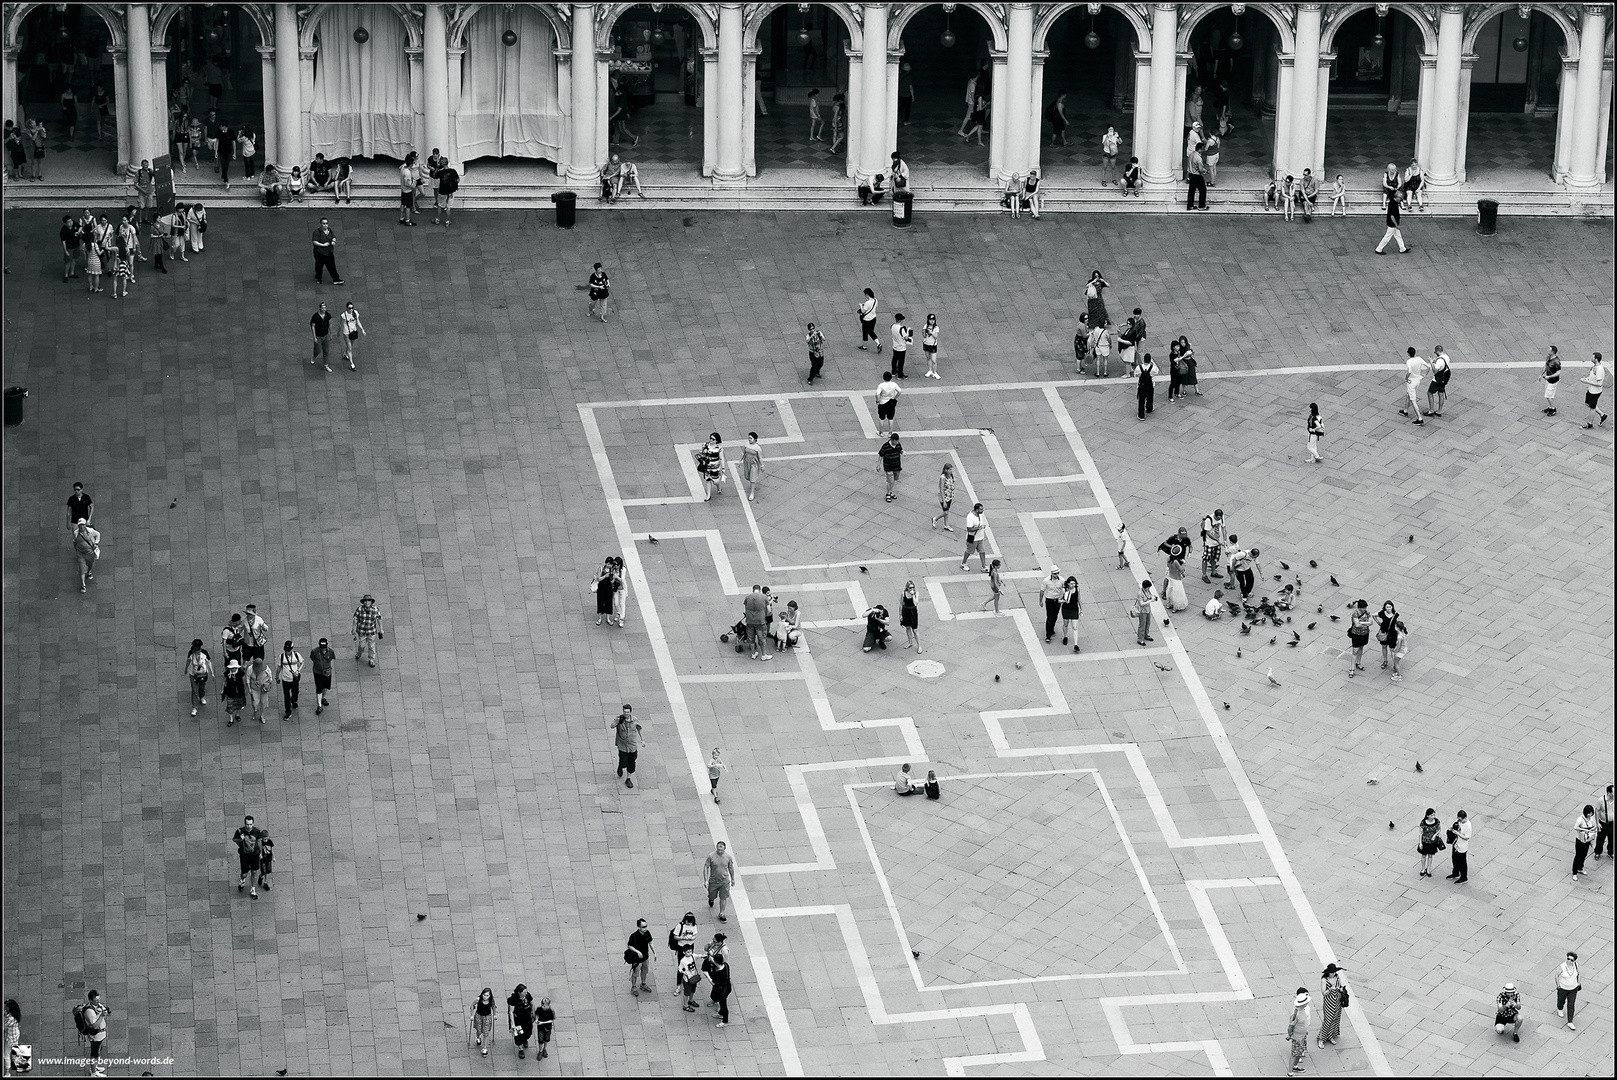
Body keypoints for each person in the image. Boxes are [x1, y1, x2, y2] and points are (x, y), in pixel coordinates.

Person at [77, 991, 109, 1076]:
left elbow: (103, 1010)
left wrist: (106, 1011)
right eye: (96, 1001)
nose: (98, 1002)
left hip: (100, 1035)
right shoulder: (89, 1012)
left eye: (98, 999)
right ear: (90, 1000)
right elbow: (95, 1026)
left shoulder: (95, 1005)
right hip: (96, 1036)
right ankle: (94, 1072)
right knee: (94, 1054)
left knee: (98, 1051)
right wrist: (102, 1015)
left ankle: (94, 1067)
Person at [703, 840, 736, 922]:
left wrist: (732, 879)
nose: (719, 850)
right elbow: (706, 867)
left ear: (724, 848)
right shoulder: (711, 856)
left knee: (723, 898)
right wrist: (706, 880)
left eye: (721, 849)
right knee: (711, 895)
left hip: (724, 881)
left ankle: (722, 913)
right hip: (713, 881)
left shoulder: (728, 857)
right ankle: (711, 899)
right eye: (718, 849)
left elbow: (731, 868)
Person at [1376, 601, 1408, 680]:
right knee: (1384, 646)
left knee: (1391, 649)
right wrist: (1378, 622)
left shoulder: (1395, 615)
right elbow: (1374, 615)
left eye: (1390, 607)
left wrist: (1396, 650)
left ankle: (1395, 665)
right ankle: (1386, 661)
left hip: (1392, 634)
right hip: (1384, 632)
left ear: (1392, 607)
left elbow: (1399, 623)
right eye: (1387, 607)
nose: (1389, 608)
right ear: (1385, 607)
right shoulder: (1382, 613)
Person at [614, 704, 643, 788]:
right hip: (622, 745)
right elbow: (612, 726)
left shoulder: (634, 720)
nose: (626, 713)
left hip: (632, 745)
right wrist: (617, 721)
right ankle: (620, 766)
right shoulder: (620, 719)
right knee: (623, 761)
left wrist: (642, 739)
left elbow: (639, 728)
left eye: (627, 712)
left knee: (631, 762)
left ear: (630, 712)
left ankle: (628, 779)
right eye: (624, 712)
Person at [1398, 347, 1429, 424]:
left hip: (1411, 382)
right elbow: (1428, 367)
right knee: (1408, 394)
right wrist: (1424, 374)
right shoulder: (1419, 359)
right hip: (1418, 380)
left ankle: (1419, 418)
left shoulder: (1409, 361)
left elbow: (1409, 371)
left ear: (1408, 353)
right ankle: (1405, 410)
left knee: (1413, 400)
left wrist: (1406, 378)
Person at [1316, 964, 1345, 1046]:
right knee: (1328, 1020)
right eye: (1331, 972)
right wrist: (1330, 990)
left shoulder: (1337, 977)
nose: (1332, 974)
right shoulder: (1324, 980)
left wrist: (1340, 989)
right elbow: (1323, 993)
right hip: (1329, 1003)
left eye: (1334, 972)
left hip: (1337, 1001)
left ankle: (1330, 1036)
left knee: (1335, 1019)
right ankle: (1321, 1038)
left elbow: (1341, 986)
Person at [233, 815, 261, 894]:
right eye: (247, 824)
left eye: (250, 824)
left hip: (255, 854)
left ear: (253, 824)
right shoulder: (240, 831)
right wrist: (240, 839)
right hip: (244, 855)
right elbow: (234, 839)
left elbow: (259, 842)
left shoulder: (257, 831)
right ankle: (242, 880)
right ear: (244, 824)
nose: (249, 826)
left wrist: (261, 853)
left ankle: (253, 888)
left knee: (254, 872)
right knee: (244, 874)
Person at [352, 594, 383, 666]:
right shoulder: (359, 609)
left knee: (371, 646)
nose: (367, 602)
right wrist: (353, 628)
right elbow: (355, 618)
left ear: (371, 602)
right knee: (361, 645)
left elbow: (379, 618)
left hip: (371, 631)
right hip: (362, 631)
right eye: (365, 601)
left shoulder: (375, 609)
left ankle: (371, 659)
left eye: (368, 601)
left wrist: (381, 629)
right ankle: (359, 653)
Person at [185, 638, 214, 717]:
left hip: (203, 673)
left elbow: (209, 662)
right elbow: (188, 661)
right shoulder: (191, 653)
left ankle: (202, 697)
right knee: (194, 691)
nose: (196, 651)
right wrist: (186, 669)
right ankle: (194, 707)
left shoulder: (204, 653)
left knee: (202, 687)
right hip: (193, 674)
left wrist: (212, 672)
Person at [704, 951, 733, 1027]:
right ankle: (720, 1013)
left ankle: (725, 1021)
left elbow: (713, 983)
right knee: (722, 1003)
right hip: (727, 986)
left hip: (721, 990)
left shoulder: (719, 973)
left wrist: (707, 975)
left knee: (723, 1004)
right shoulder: (726, 965)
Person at [311, 218, 344, 285]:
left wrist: (333, 241)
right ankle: (318, 278)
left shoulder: (329, 230)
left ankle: (336, 279)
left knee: (332, 266)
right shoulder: (317, 232)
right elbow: (314, 241)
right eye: (324, 223)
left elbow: (333, 237)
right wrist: (322, 245)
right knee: (319, 266)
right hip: (320, 253)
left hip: (329, 252)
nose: (325, 225)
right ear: (321, 224)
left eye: (326, 223)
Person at [626, 918, 655, 996]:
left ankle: (643, 984)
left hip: (645, 957)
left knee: (644, 972)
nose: (645, 928)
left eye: (646, 926)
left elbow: (650, 942)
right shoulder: (634, 936)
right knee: (635, 973)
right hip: (637, 960)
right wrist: (637, 951)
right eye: (643, 927)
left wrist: (654, 952)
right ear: (638, 927)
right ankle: (633, 987)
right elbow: (629, 946)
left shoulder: (647, 933)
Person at [1580, 352, 1608, 428]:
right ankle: (1602, 415)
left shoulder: (1599, 369)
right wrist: (1587, 379)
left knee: (1592, 407)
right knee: (1587, 403)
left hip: (1595, 392)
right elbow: (1593, 378)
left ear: (1596, 359)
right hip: (1591, 390)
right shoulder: (1595, 366)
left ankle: (1590, 423)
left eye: (1592, 357)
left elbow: (1599, 383)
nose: (1591, 358)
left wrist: (1587, 382)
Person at [72, 518, 100, 594]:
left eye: (83, 525)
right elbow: (74, 541)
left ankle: (89, 571)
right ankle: (83, 585)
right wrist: (76, 550)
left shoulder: (90, 531)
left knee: (90, 565)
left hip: (90, 553)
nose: (81, 527)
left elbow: (98, 534)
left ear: (85, 525)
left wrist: (96, 543)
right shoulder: (76, 533)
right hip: (81, 554)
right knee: (82, 569)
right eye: (80, 525)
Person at [743, 583, 772, 660]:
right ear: (759, 590)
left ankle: (753, 654)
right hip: (760, 622)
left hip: (749, 621)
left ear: (753, 590)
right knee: (762, 638)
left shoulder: (747, 597)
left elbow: (745, 611)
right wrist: (764, 615)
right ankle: (764, 655)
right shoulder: (764, 597)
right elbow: (769, 611)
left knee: (751, 638)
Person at [1285, 988, 1310, 1073]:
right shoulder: (1296, 1014)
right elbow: (1290, 1026)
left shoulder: (1303, 1010)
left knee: (1300, 1052)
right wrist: (1290, 1034)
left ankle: (1295, 1066)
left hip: (1303, 1036)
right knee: (1294, 1055)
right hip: (1297, 1037)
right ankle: (1290, 1072)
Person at [277, 639, 303, 720]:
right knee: (286, 696)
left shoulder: (296, 655)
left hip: (295, 679)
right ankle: (288, 711)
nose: (287, 652)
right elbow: (279, 668)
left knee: (295, 692)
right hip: (285, 680)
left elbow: (302, 662)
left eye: (288, 650)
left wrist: (298, 671)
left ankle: (294, 700)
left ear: (292, 649)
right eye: (286, 650)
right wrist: (277, 676)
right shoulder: (281, 657)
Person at [507, 984, 535, 1059]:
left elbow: (532, 1005)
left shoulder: (528, 996)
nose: (526, 993)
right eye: (524, 992)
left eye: (526, 991)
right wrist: (512, 1023)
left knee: (528, 1032)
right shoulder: (514, 999)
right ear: (519, 992)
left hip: (527, 1019)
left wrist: (533, 1014)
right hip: (518, 1021)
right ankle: (520, 1048)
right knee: (519, 1035)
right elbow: (511, 1012)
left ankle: (525, 1039)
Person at [309, 637, 336, 715]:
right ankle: (319, 706)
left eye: (324, 647)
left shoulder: (331, 652)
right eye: (322, 647)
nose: (323, 649)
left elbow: (331, 658)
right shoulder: (314, 651)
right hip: (317, 672)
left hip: (327, 672)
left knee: (325, 687)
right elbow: (312, 658)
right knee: (319, 688)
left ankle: (322, 698)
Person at [337, 301, 366, 372]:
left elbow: (358, 321)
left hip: (354, 332)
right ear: (346, 308)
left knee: (351, 345)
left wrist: (362, 329)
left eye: (352, 308)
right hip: (346, 333)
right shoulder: (344, 315)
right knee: (350, 348)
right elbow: (341, 324)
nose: (351, 309)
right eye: (349, 308)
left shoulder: (355, 313)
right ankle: (352, 364)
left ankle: (346, 354)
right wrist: (339, 332)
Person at [1346, 599, 1372, 675]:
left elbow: (1371, 623)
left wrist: (1361, 622)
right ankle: (1352, 668)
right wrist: (1366, 623)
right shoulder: (1355, 613)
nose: (1365, 609)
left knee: (1361, 647)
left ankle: (1358, 663)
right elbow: (1357, 625)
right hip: (1356, 634)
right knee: (1355, 651)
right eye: (1363, 608)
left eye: (1365, 607)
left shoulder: (1367, 613)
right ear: (1359, 607)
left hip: (1365, 633)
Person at [696, 433, 725, 501]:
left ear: (717, 440)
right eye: (710, 438)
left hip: (715, 467)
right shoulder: (705, 445)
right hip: (707, 466)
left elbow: (721, 458)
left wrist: (723, 468)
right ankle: (708, 496)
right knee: (708, 480)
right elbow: (702, 452)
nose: (711, 440)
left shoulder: (719, 448)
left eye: (713, 439)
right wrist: (702, 453)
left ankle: (718, 486)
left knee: (715, 481)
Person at [246, 655, 273, 724]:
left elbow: (270, 678)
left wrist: (268, 685)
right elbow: (247, 678)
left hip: (263, 687)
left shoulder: (266, 669)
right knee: (255, 702)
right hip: (254, 688)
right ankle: (255, 711)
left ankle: (262, 715)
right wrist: (249, 688)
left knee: (263, 702)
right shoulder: (250, 669)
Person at [1556, 952, 1581, 1029]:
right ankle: (1559, 1008)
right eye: (1568, 959)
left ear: (1574, 961)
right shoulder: (1562, 966)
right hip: (1563, 988)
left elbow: (1578, 974)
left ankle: (1570, 1022)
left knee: (1571, 1005)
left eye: (1571, 960)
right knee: (1561, 1000)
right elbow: (1556, 975)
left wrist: (1578, 983)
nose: (1569, 961)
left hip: (1573, 989)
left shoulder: (1576, 965)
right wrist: (1558, 986)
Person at [1040, 567, 1064, 642]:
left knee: (1055, 616)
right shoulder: (1046, 580)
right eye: (1055, 574)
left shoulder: (1062, 580)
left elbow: (1065, 590)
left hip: (1057, 600)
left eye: (1057, 573)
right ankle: (1048, 635)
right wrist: (1040, 601)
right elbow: (1042, 591)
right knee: (1050, 617)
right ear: (1051, 573)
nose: (1056, 575)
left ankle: (1052, 628)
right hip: (1049, 599)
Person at [1446, 808, 1471, 883]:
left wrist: (1457, 833)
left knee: (1462, 862)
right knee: (1454, 859)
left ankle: (1464, 877)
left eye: (1461, 820)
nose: (1459, 821)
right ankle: (1456, 872)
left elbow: (1467, 837)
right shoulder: (1458, 821)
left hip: (1462, 846)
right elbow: (1454, 826)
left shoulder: (1468, 826)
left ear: (1465, 818)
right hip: (1455, 844)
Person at [962, 504, 989, 573]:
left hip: (980, 537)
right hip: (972, 537)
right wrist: (979, 528)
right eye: (981, 509)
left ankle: (983, 566)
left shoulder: (979, 515)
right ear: (976, 510)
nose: (982, 511)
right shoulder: (970, 517)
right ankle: (963, 563)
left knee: (982, 551)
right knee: (969, 551)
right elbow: (969, 529)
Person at [1417, 807, 1442, 877]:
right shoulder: (1423, 822)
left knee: (1430, 856)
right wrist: (1420, 843)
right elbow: (1420, 833)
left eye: (1434, 815)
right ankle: (1422, 868)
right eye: (1431, 815)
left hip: (1432, 842)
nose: (1433, 816)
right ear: (1427, 815)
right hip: (1424, 841)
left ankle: (1428, 869)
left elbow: (1439, 829)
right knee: (1423, 856)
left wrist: (1435, 835)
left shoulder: (1437, 821)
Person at [433, 158, 460, 224]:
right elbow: (458, 180)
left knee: (440, 205)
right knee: (448, 207)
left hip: (442, 191)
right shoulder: (453, 171)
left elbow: (434, 175)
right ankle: (447, 221)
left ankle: (437, 219)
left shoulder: (441, 172)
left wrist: (437, 167)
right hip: (450, 192)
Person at [1134, 352, 1159, 421]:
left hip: (1141, 386)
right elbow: (1157, 372)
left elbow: (1135, 374)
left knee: (1141, 400)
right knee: (1150, 397)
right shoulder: (1153, 368)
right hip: (1150, 385)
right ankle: (1149, 408)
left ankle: (1141, 415)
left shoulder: (1138, 367)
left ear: (1143, 359)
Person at [1573, 805, 1597, 877]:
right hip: (1580, 840)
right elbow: (1575, 827)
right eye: (1589, 813)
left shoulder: (1591, 819)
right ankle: (1574, 872)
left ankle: (1580, 868)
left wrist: (1593, 829)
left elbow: (1594, 825)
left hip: (1587, 839)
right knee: (1578, 855)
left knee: (1584, 854)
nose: (1590, 815)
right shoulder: (1580, 819)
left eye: (1591, 813)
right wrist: (1584, 829)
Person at [471, 988, 496, 1056]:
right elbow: (472, 1005)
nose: (485, 997)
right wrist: (472, 1015)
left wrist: (494, 1015)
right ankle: (478, 1037)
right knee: (479, 1030)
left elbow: (493, 1007)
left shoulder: (491, 1001)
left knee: (486, 1032)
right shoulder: (478, 999)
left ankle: (484, 1047)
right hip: (479, 1016)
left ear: (490, 996)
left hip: (487, 1017)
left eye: (487, 995)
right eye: (484, 995)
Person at [1060, 575, 1083, 651]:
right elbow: (1059, 600)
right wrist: (1065, 601)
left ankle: (1076, 644)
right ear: (1068, 584)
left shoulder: (1077, 589)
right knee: (1065, 624)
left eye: (1074, 583)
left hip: (1074, 609)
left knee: (1075, 627)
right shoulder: (1064, 590)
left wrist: (1081, 609)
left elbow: (1079, 599)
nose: (1073, 585)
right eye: (1071, 584)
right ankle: (1065, 636)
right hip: (1066, 609)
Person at [310, 302, 334, 372]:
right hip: (318, 336)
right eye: (322, 308)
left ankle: (326, 365)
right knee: (317, 350)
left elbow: (330, 324)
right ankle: (314, 356)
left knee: (326, 350)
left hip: (326, 335)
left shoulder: (327, 315)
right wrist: (314, 337)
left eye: (325, 308)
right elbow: (313, 326)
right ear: (320, 308)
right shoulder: (315, 316)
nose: (324, 309)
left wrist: (331, 334)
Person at [931, 461, 956, 530]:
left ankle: (946, 525)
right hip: (944, 497)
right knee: (945, 512)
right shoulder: (942, 478)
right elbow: (941, 489)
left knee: (947, 511)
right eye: (950, 469)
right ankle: (935, 519)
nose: (951, 471)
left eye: (951, 469)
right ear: (946, 470)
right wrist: (944, 501)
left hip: (949, 496)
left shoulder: (950, 475)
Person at [879, 432, 903, 502]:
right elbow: (881, 455)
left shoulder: (898, 444)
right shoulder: (885, 446)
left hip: (897, 466)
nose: (897, 442)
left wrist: (902, 452)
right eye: (896, 441)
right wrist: (878, 464)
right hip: (888, 466)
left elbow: (900, 450)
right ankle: (888, 493)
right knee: (891, 481)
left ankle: (890, 491)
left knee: (894, 480)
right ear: (892, 440)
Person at [900, 580, 922, 652]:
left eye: (913, 587)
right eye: (910, 588)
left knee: (915, 630)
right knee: (908, 627)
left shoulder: (916, 593)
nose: (911, 589)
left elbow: (916, 603)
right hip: (905, 612)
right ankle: (910, 642)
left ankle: (919, 646)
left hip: (913, 612)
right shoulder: (903, 594)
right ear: (907, 588)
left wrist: (913, 595)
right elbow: (901, 604)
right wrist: (900, 615)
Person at [398, 151, 420, 224]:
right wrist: (414, 183)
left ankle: (401, 218)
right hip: (407, 191)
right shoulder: (407, 172)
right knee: (408, 206)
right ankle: (408, 220)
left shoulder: (402, 168)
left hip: (402, 190)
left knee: (402, 204)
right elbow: (407, 183)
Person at [1132, 580, 1156, 646]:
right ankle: (1140, 638)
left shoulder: (1147, 591)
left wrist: (1152, 597)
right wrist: (1150, 601)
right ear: (1145, 587)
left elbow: (1149, 596)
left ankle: (1146, 635)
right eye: (1148, 587)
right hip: (1142, 611)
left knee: (1148, 623)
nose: (1149, 589)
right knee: (1142, 624)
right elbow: (1141, 603)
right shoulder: (1140, 593)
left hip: (1148, 609)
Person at [1185, 141, 1207, 211]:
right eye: (1202, 149)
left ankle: (1190, 205)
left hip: (1191, 174)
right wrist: (1205, 171)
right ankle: (1201, 206)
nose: (1203, 150)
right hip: (1197, 176)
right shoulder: (1199, 158)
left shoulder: (1191, 154)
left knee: (1191, 190)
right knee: (1203, 190)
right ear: (1200, 149)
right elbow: (1200, 169)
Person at [3, 999, 22, 1077]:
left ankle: (7, 1072)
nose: (4, 1007)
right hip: (15, 1034)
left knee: (6, 1055)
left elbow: (4, 1025)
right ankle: (20, 1063)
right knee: (15, 1049)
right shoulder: (14, 1014)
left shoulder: (10, 1019)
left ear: (10, 1008)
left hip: (10, 1039)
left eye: (6, 1007)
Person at [1541, 344, 1562, 415]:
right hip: (1548, 379)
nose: (1547, 350)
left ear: (1553, 352)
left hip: (1553, 381)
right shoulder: (1548, 357)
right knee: (1550, 395)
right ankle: (1550, 407)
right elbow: (1545, 365)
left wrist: (1549, 377)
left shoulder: (1556, 361)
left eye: (1549, 350)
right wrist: (1541, 374)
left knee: (1548, 395)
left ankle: (1553, 408)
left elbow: (1558, 372)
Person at [890, 312, 912, 378]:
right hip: (901, 347)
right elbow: (906, 338)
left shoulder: (892, 326)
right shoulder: (901, 329)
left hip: (895, 346)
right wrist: (908, 335)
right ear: (900, 320)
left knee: (894, 359)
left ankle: (893, 371)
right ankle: (900, 375)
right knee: (901, 361)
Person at [1596, 783, 1614, 859]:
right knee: (1600, 839)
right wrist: (1597, 823)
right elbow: (1597, 811)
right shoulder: (1601, 800)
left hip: (1612, 823)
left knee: (1612, 839)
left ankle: (1611, 852)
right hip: (1603, 823)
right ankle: (1598, 852)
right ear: (1609, 793)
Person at [922, 313, 942, 379]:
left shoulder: (936, 327)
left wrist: (932, 332)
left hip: (933, 345)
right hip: (926, 344)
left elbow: (936, 336)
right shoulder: (925, 326)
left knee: (934, 360)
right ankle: (930, 370)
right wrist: (924, 332)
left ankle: (935, 372)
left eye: (933, 319)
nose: (932, 321)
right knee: (928, 358)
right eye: (930, 320)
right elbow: (924, 336)